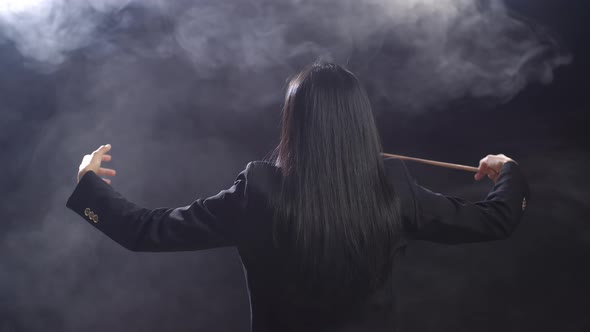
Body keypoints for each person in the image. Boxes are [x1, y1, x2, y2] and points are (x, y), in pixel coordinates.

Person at [66, 62, 530, 331]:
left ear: (295, 123)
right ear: (359, 122)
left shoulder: (259, 190)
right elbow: (495, 220)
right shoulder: (394, 184)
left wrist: (89, 185)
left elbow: (144, 231)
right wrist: (508, 172)